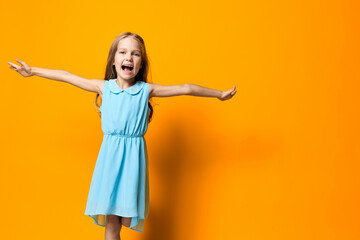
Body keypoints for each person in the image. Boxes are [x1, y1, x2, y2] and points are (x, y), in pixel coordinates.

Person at [7, 32, 237, 239]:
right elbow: (67, 76)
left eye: (135, 54)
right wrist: (33, 71)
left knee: (117, 219)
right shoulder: (103, 87)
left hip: (132, 163)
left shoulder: (146, 90)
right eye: (123, 52)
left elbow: (186, 87)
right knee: (111, 223)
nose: (129, 57)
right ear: (114, 60)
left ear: (141, 63)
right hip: (109, 161)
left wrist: (219, 94)